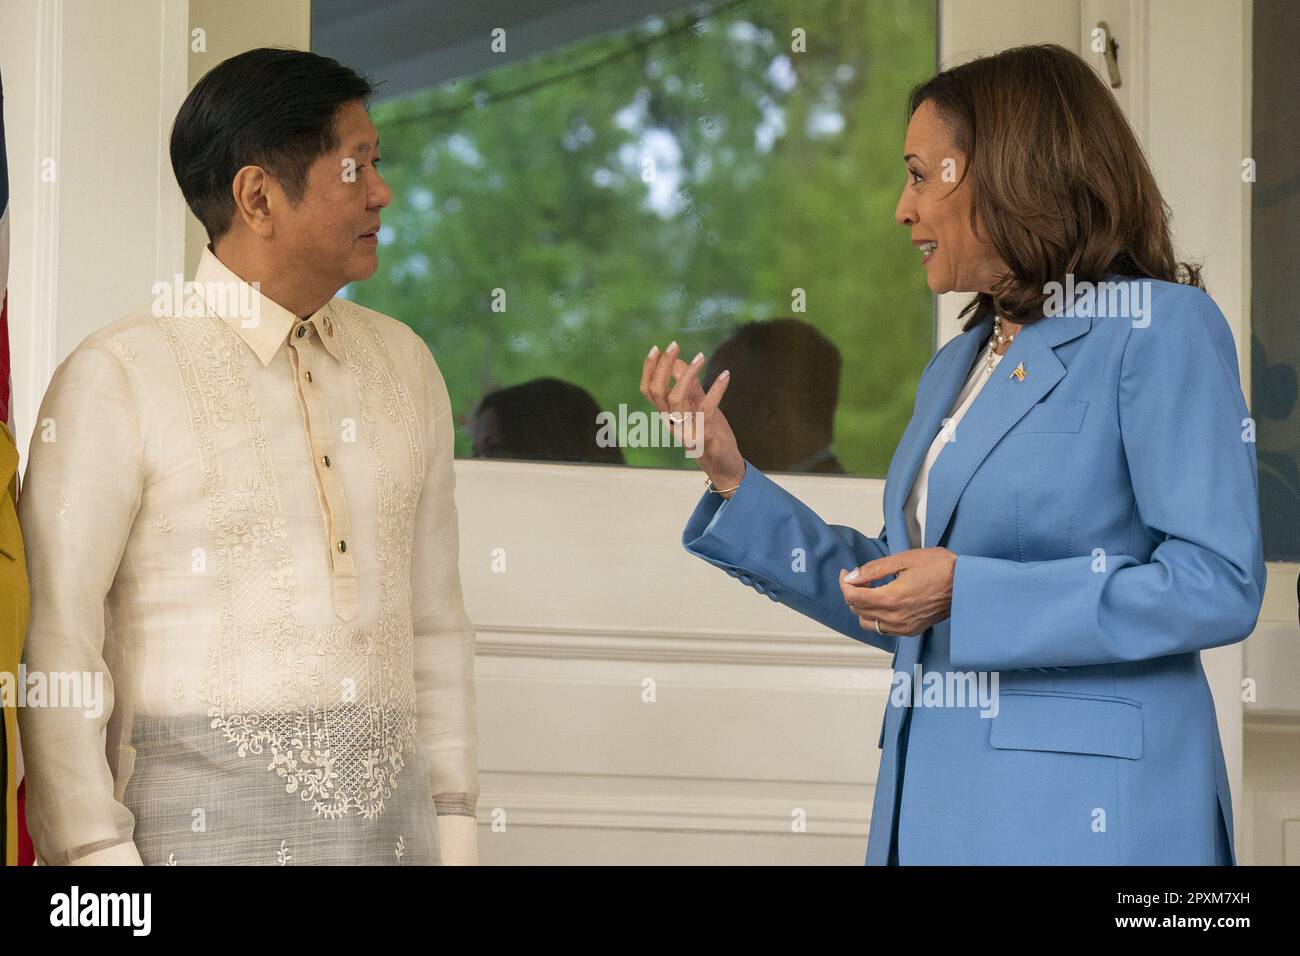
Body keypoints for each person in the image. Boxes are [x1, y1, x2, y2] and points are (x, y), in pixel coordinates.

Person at [639, 44, 1266, 865]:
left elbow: (1217, 585)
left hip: (1093, 821)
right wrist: (731, 476)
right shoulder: (956, 366)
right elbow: (908, 593)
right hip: (931, 806)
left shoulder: (1159, 327)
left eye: (923, 175)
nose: (903, 208)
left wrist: (969, 592)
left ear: (1016, 172)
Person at [18, 48, 478, 865]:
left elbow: (436, 625)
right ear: (258, 196)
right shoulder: (119, 374)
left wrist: (457, 831)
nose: (382, 191)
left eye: (378, 163)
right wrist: (95, 864)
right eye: (354, 168)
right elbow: (59, 642)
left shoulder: (406, 365)